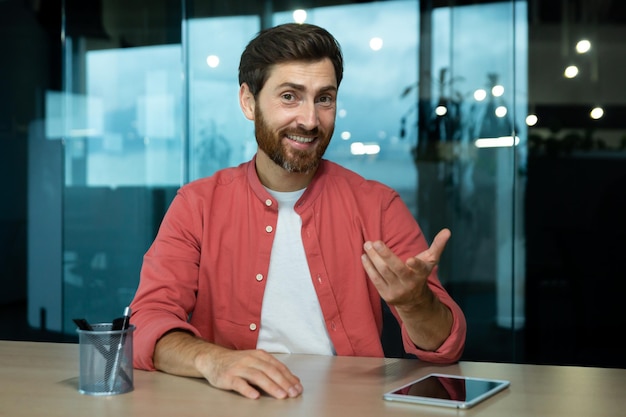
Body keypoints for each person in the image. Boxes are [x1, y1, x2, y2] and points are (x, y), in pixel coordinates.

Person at [129, 22, 466, 400]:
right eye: (290, 96)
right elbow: (145, 323)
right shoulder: (197, 204)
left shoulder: (378, 205)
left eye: (324, 98)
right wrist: (214, 360)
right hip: (232, 405)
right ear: (248, 102)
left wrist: (415, 303)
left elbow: (445, 346)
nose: (309, 120)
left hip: (351, 406)